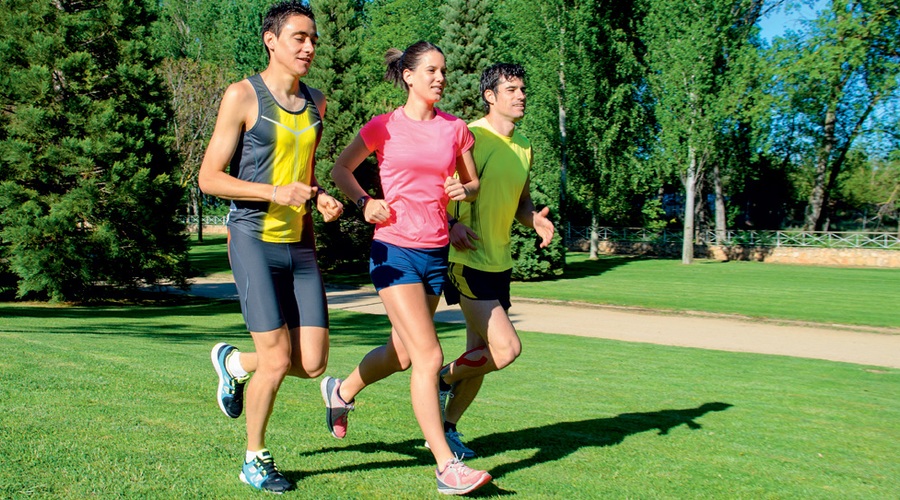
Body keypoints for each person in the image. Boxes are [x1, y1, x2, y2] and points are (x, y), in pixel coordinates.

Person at [322, 41, 492, 495]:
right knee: (429, 355)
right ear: (410, 76)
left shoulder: (456, 130)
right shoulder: (384, 127)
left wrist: (464, 193)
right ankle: (445, 465)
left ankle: (340, 392)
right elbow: (341, 168)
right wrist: (364, 202)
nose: (440, 78)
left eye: (443, 71)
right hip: (392, 250)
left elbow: (472, 183)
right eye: (431, 71)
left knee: (402, 353)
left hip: (436, 252)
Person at [198, 1, 343, 493]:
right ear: (271, 40)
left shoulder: (317, 103)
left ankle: (234, 365)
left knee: (314, 362)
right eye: (299, 37)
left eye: (313, 39)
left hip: (299, 242)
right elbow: (209, 178)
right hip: (252, 237)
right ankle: (254, 458)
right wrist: (274, 194)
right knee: (278, 358)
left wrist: (319, 197)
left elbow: (301, 175)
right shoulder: (242, 95)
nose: (308, 47)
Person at [435, 63, 555, 459]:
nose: (521, 95)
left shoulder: (524, 146)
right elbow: (440, 188)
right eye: (511, 89)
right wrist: (451, 224)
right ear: (490, 96)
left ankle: (447, 429)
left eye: (523, 88)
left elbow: (521, 203)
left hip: (500, 264)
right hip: (466, 259)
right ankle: (439, 379)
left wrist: (533, 220)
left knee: (480, 354)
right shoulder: (470, 136)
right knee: (504, 350)